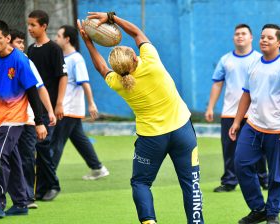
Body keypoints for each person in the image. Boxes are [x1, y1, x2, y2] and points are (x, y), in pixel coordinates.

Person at [77, 12, 204, 224]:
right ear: (135, 58)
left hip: (151, 139)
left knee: (141, 183)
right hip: (182, 131)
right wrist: (112, 18)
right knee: (191, 183)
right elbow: (136, 33)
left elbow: (100, 67)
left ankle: (149, 221)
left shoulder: (117, 82)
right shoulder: (151, 62)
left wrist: (89, 42)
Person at [0, 20, 47, 219]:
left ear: (7, 38)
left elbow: (33, 92)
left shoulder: (20, 61)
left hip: (15, 120)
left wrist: (39, 122)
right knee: (12, 159)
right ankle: (21, 203)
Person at [229, 24, 280, 224]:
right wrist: (237, 122)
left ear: (279, 43)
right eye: (262, 37)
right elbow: (247, 93)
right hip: (252, 126)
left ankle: (272, 213)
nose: (264, 40)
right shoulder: (253, 64)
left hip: (278, 130)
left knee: (276, 175)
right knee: (241, 163)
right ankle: (258, 208)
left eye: (269, 38)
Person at [205, 24, 268, 192]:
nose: (240, 36)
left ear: (251, 38)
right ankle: (229, 181)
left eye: (244, 34)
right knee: (229, 149)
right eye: (237, 34)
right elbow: (217, 84)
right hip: (229, 114)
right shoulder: (225, 60)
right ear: (233, 38)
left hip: (254, 114)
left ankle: (264, 179)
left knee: (259, 150)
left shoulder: (259, 59)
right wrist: (210, 107)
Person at [53, 25, 109, 181]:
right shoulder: (63, 58)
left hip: (69, 108)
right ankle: (98, 168)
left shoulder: (76, 59)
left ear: (67, 39)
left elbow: (85, 82)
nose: (56, 38)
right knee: (79, 139)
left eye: (58, 35)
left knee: (56, 142)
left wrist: (91, 103)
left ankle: (47, 177)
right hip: (67, 108)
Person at [10, 29, 56, 208]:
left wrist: (49, 111)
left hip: (27, 118)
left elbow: (40, 88)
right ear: (8, 42)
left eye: (23, 43)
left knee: (28, 157)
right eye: (18, 42)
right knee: (3, 158)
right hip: (4, 121)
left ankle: (28, 197)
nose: (22, 46)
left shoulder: (27, 63)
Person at [27, 9, 68, 201]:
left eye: (33, 25)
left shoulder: (54, 49)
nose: (30, 28)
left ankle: (53, 185)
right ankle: (41, 188)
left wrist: (58, 104)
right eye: (29, 25)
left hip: (49, 108)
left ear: (44, 26)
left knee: (43, 146)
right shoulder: (31, 50)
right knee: (38, 148)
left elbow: (62, 77)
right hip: (34, 108)